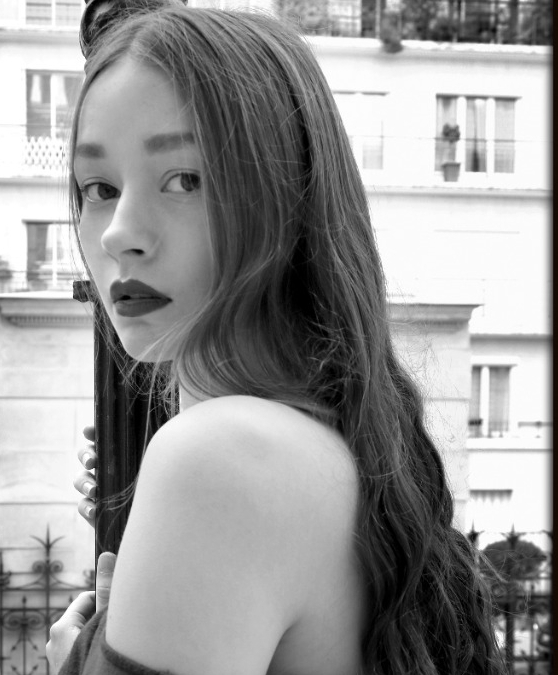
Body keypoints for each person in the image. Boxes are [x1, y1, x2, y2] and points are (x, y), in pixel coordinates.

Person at [46, 3, 506, 675]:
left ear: (287, 195)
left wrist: (74, 663)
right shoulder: (345, 442)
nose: (119, 233)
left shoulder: (221, 457)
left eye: (185, 180)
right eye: (98, 187)